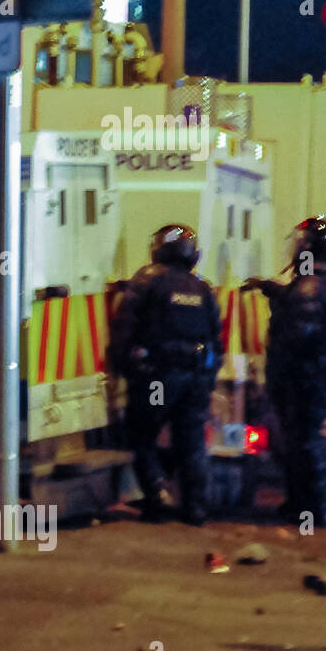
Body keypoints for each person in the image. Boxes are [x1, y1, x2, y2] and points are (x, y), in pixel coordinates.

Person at [242, 216, 326, 529]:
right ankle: (301, 504)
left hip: (302, 377)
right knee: (302, 440)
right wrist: (272, 289)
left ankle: (315, 509)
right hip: (317, 375)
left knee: (304, 441)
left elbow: (300, 331)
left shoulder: (311, 284)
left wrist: (280, 368)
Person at [109, 224, 224, 524]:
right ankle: (196, 509)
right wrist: (208, 378)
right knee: (191, 442)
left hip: (157, 378)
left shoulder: (147, 281)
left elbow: (125, 328)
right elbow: (216, 339)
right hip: (196, 378)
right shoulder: (203, 288)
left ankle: (157, 499)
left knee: (142, 435)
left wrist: (124, 366)